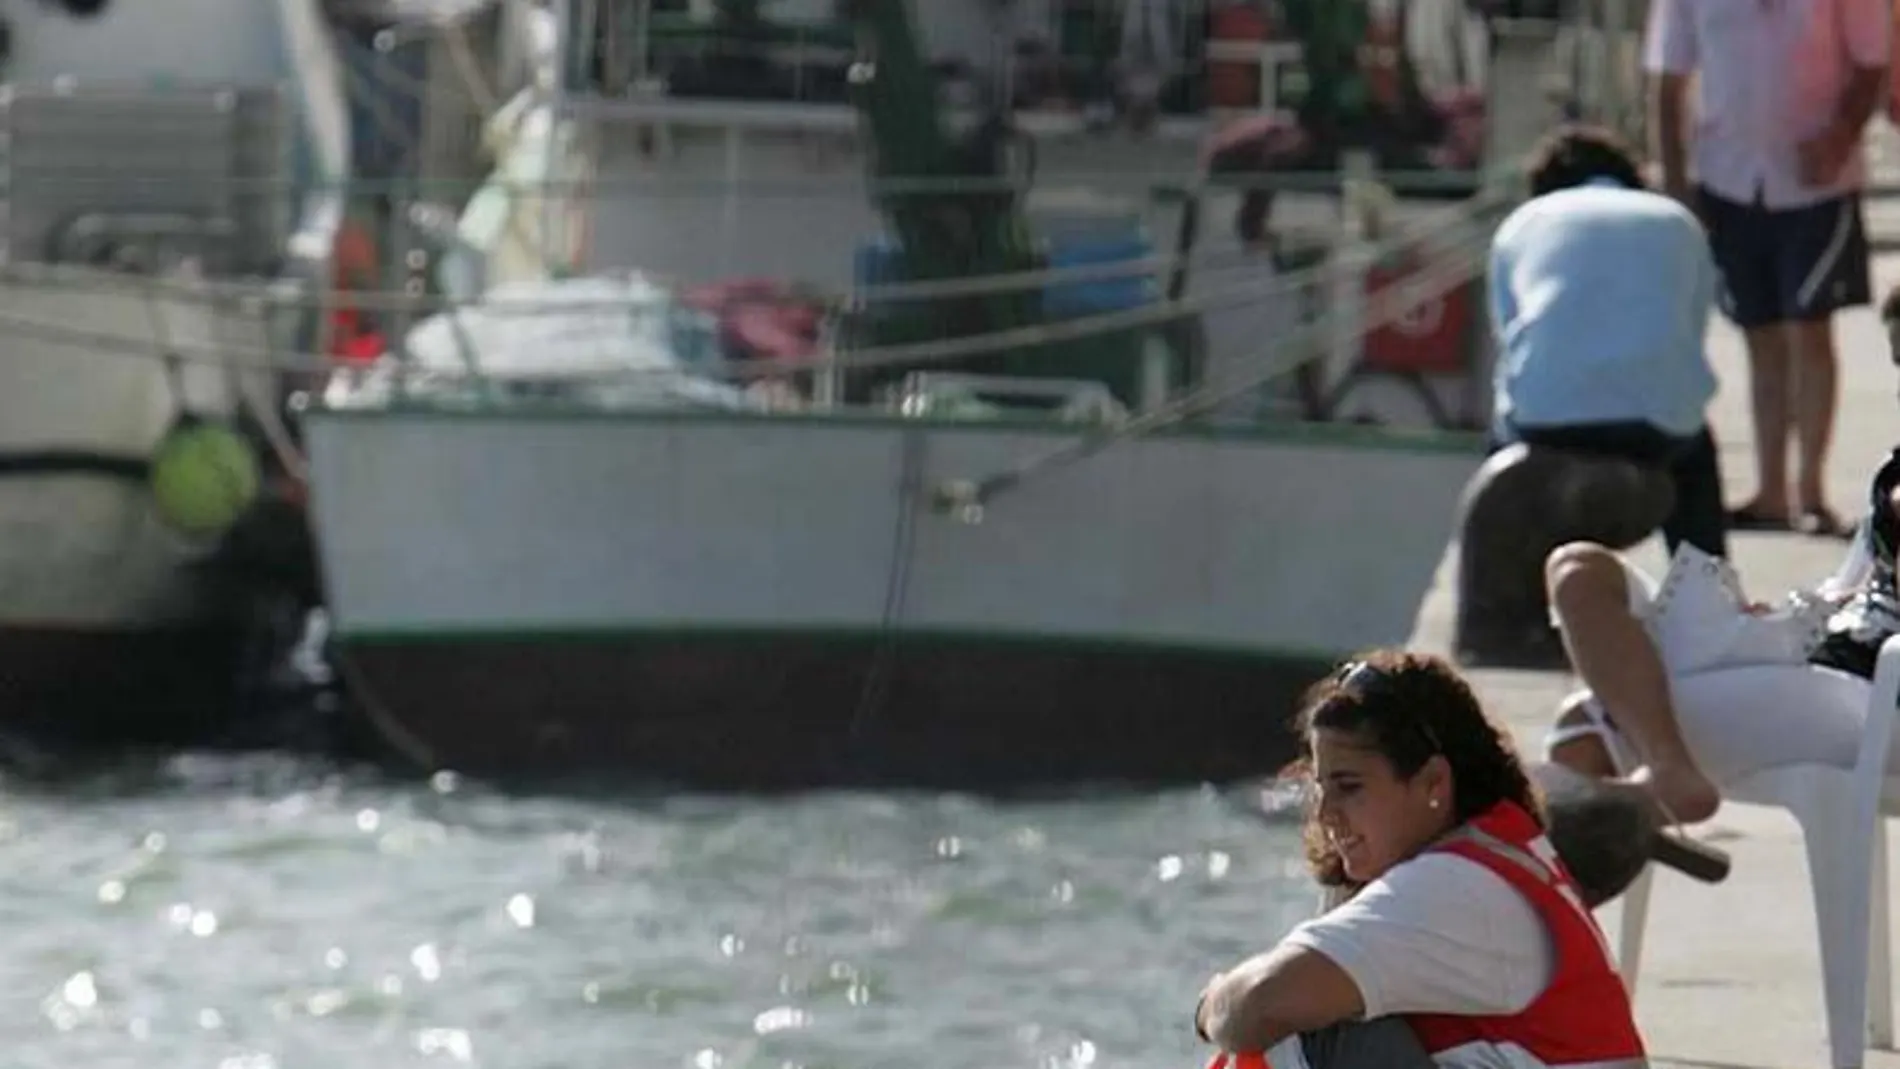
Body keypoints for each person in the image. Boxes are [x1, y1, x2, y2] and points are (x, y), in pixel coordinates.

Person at [1194, 651, 1647, 1069]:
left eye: (1349, 787)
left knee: (1308, 1026)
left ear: (1433, 782)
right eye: (1319, 787)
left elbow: (1261, 1003)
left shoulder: (1457, 889)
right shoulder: (1497, 851)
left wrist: (1211, 1003)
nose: (1325, 813)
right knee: (1320, 996)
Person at [1543, 329, 1900, 824]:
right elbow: (1853, 586)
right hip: (1822, 661)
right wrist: (1785, 617)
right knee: (1579, 572)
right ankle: (1664, 769)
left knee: (1586, 728)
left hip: (1876, 698)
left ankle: (1662, 776)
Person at [1646, 0, 1890, 538]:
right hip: (1726, 175)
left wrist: (1839, 138)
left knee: (1811, 330)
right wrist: (1677, 186)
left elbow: (1874, 62)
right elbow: (1668, 82)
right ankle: (1770, 490)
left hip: (1818, 182)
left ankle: (1812, 492)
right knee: (1760, 334)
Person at [1487, 123, 1727, 559]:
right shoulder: (1677, 221)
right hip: (1655, 435)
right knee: (1696, 450)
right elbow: (1688, 335)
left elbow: (1510, 339)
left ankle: (1506, 588)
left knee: (1500, 443)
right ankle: (1704, 593)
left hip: (1544, 428)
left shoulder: (1521, 224)